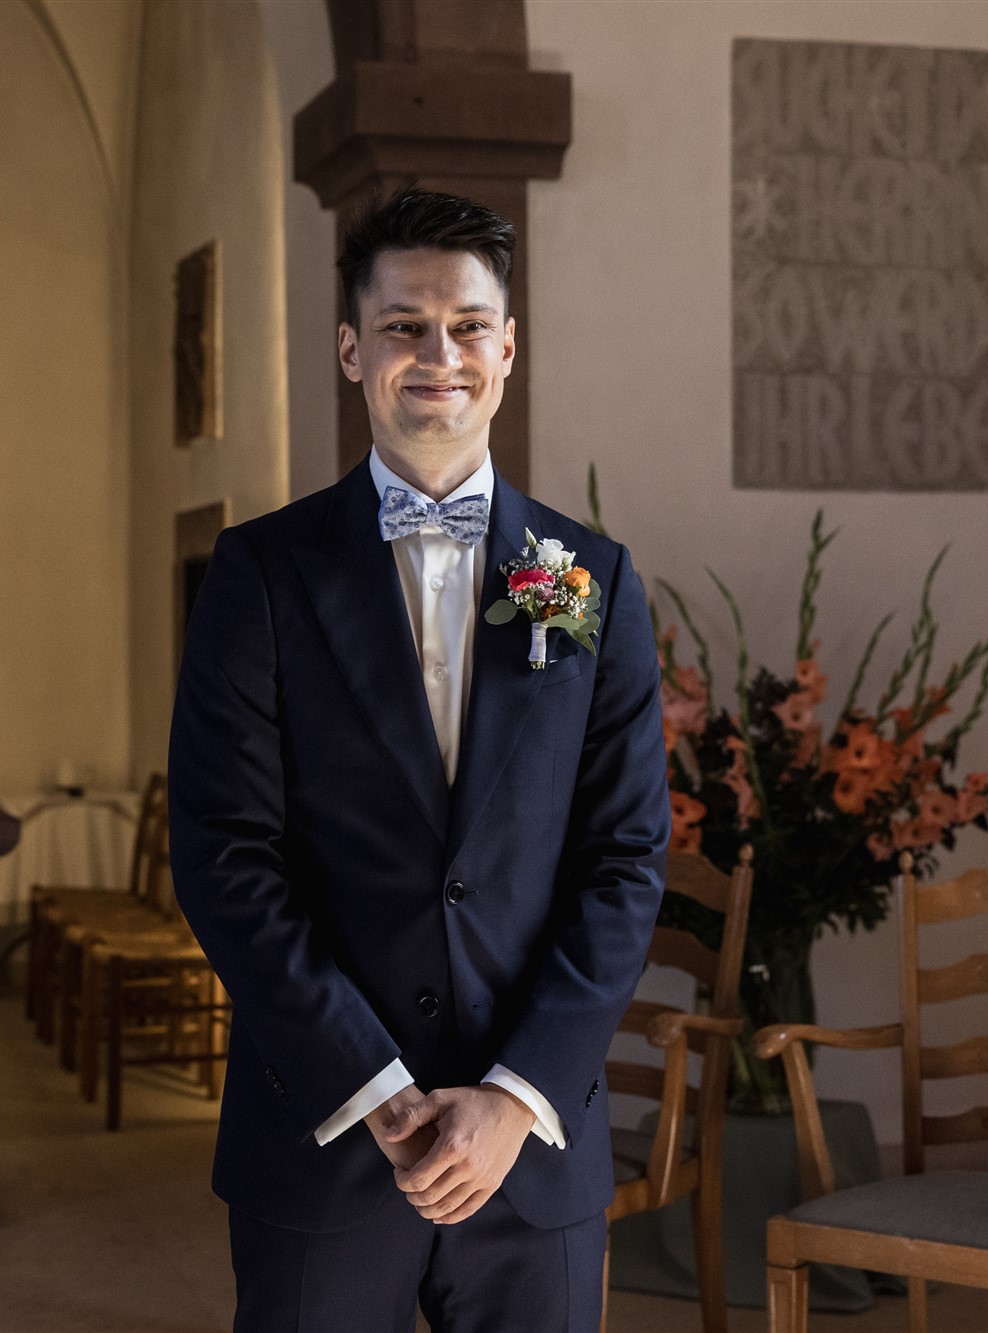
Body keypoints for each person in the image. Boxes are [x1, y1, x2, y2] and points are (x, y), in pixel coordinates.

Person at [167, 188, 670, 1331]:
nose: (436, 354)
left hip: (530, 1151)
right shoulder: (258, 576)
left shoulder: (587, 577)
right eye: (402, 325)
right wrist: (377, 1088)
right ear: (351, 349)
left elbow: (625, 859)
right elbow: (221, 853)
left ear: (506, 347)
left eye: (466, 325)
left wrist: (511, 1094)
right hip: (327, 1133)